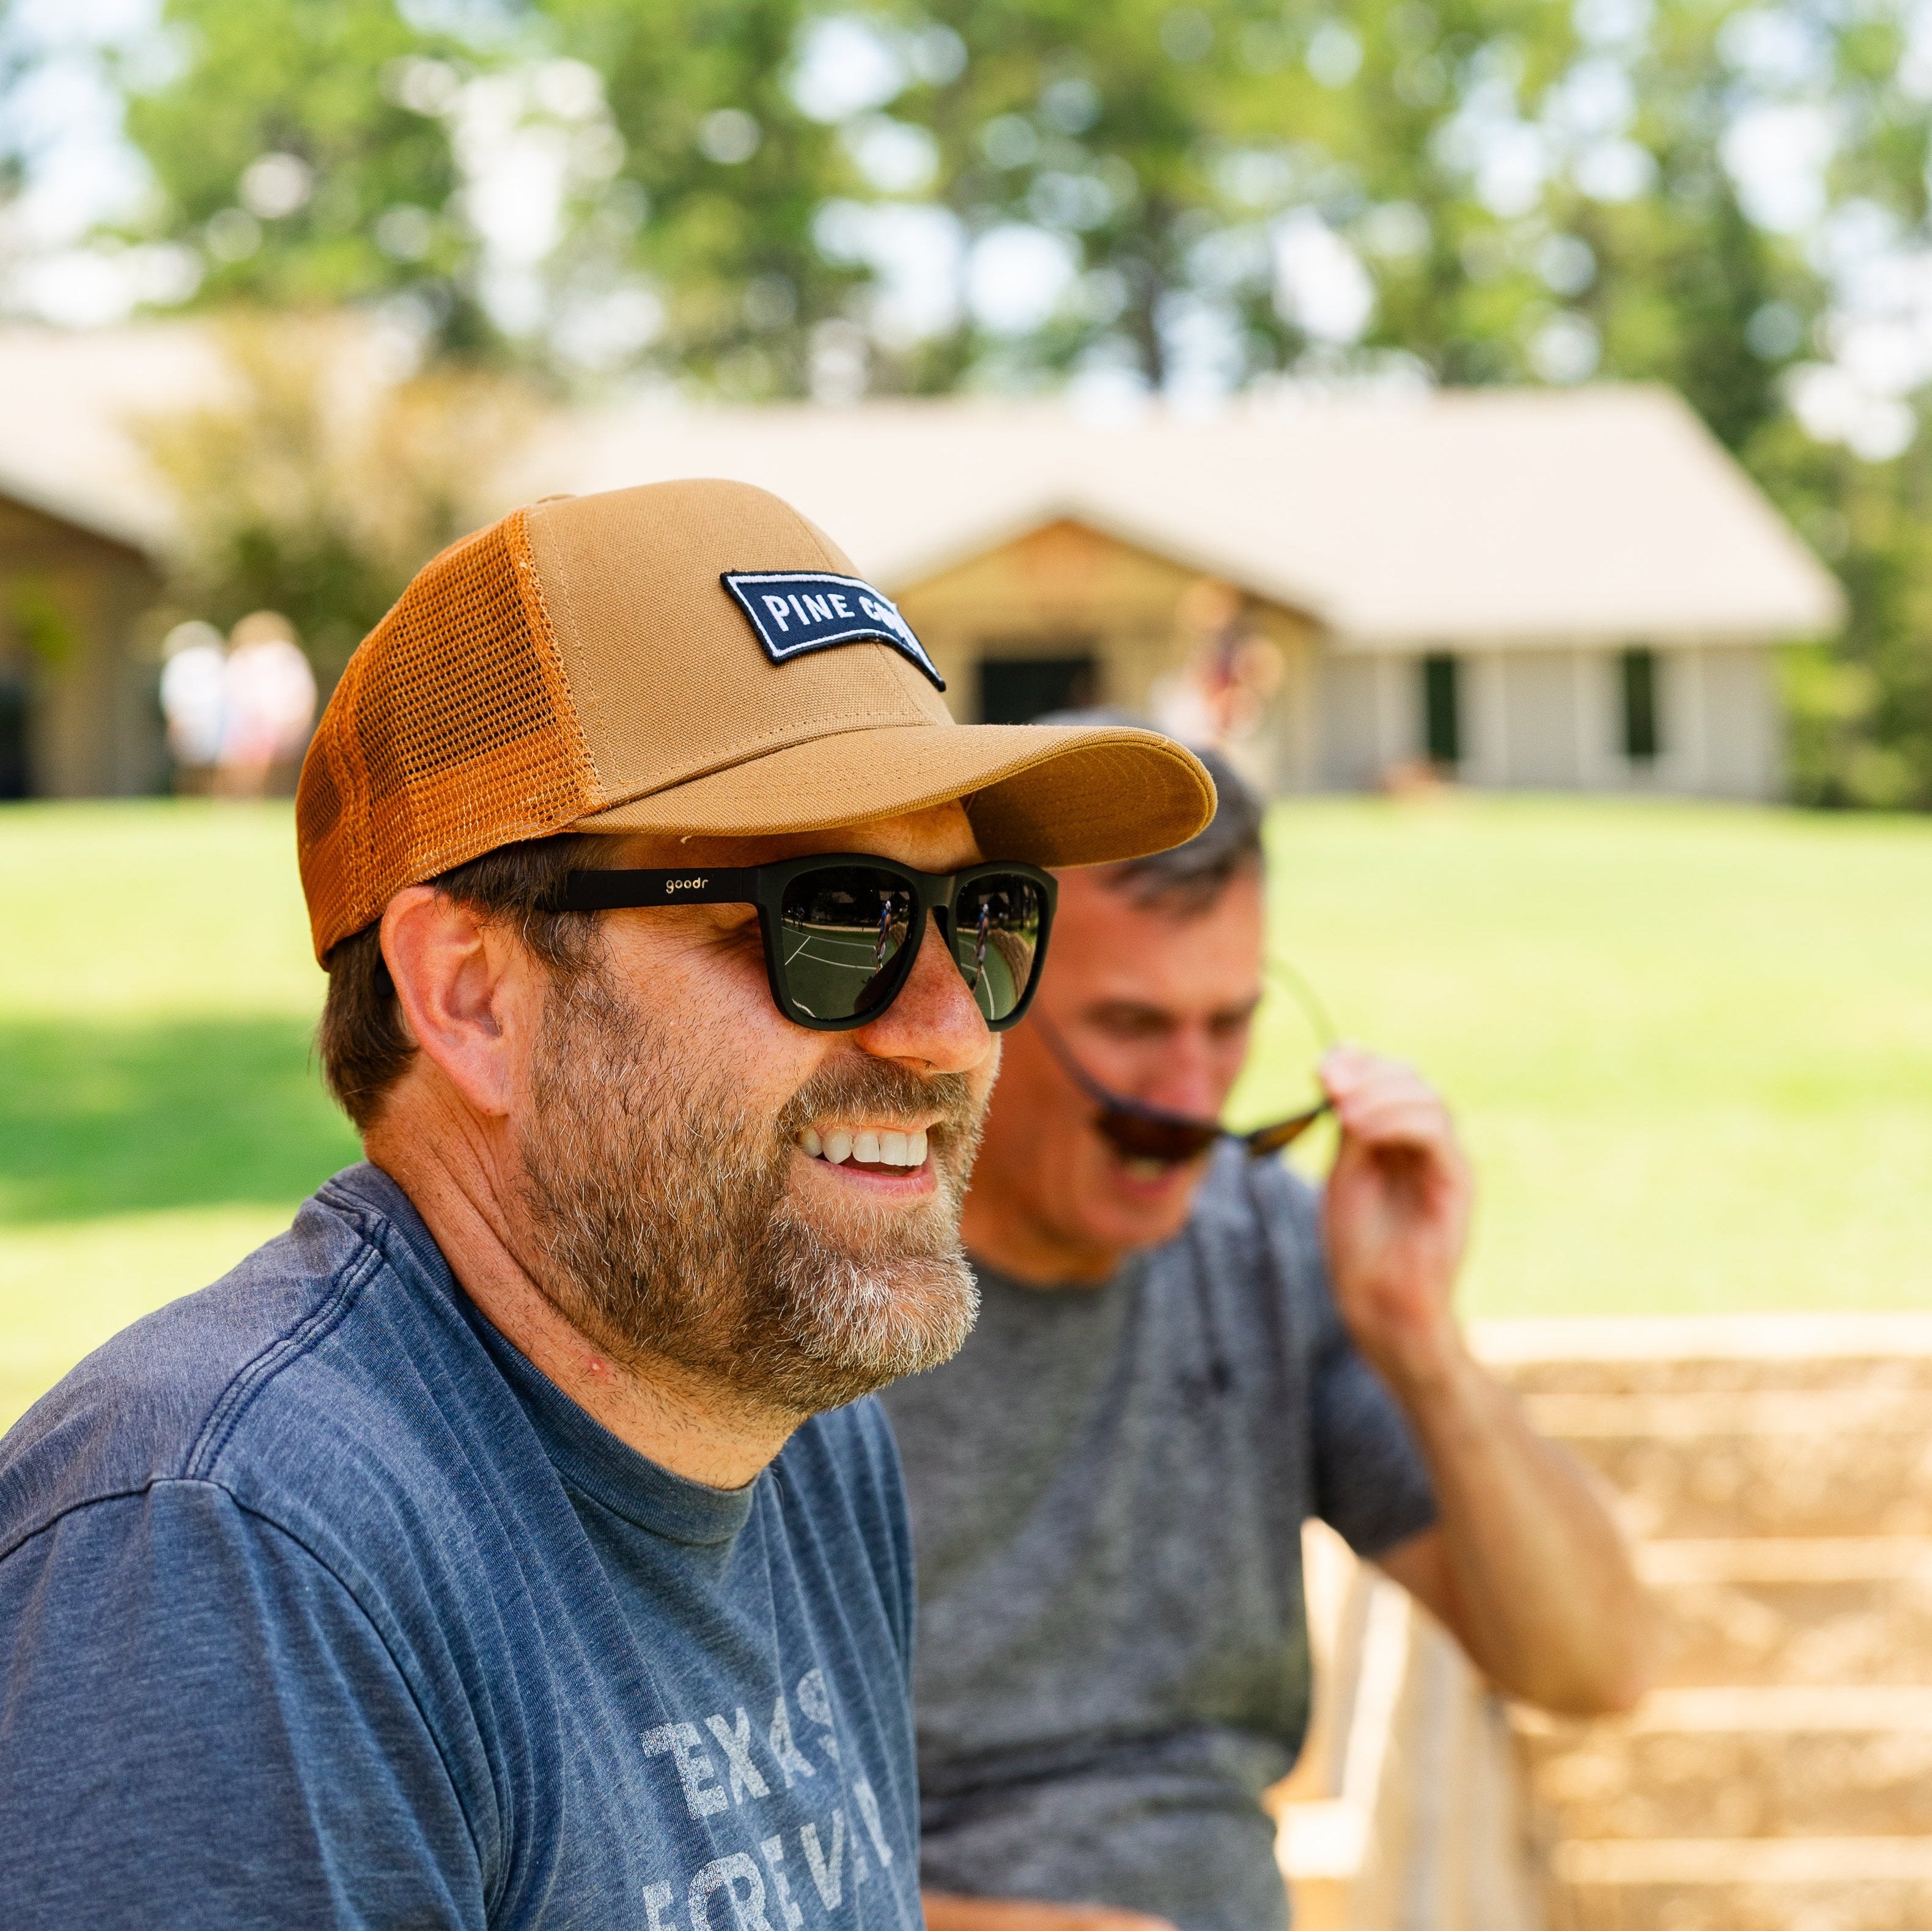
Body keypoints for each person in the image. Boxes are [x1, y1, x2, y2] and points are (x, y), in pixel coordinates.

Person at [0, 485, 1214, 1930]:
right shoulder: (235, 1552)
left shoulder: (803, 1442)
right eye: (829, 916)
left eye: (986, 912)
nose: (947, 1026)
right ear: (470, 992)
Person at [879, 729, 1657, 1931]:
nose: (1192, 1095)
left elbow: (1588, 1664)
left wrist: (1420, 1345)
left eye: (1227, 1023)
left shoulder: (1268, 1245)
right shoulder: (829, 1291)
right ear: (984, 991)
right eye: (1133, 1025)